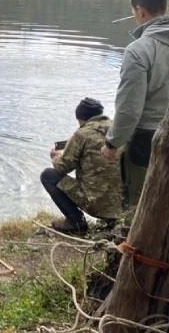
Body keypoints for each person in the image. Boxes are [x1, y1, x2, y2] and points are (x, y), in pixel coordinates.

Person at [101, 0, 169, 208]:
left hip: (146, 137)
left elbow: (129, 107)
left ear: (140, 11)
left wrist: (112, 143)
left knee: (139, 202)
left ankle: (134, 241)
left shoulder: (139, 49)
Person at [41, 98, 122, 234]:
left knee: (48, 175)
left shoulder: (81, 134)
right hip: (120, 205)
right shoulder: (118, 128)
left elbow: (62, 167)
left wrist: (55, 156)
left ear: (81, 119)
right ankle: (111, 220)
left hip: (96, 204)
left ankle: (76, 222)